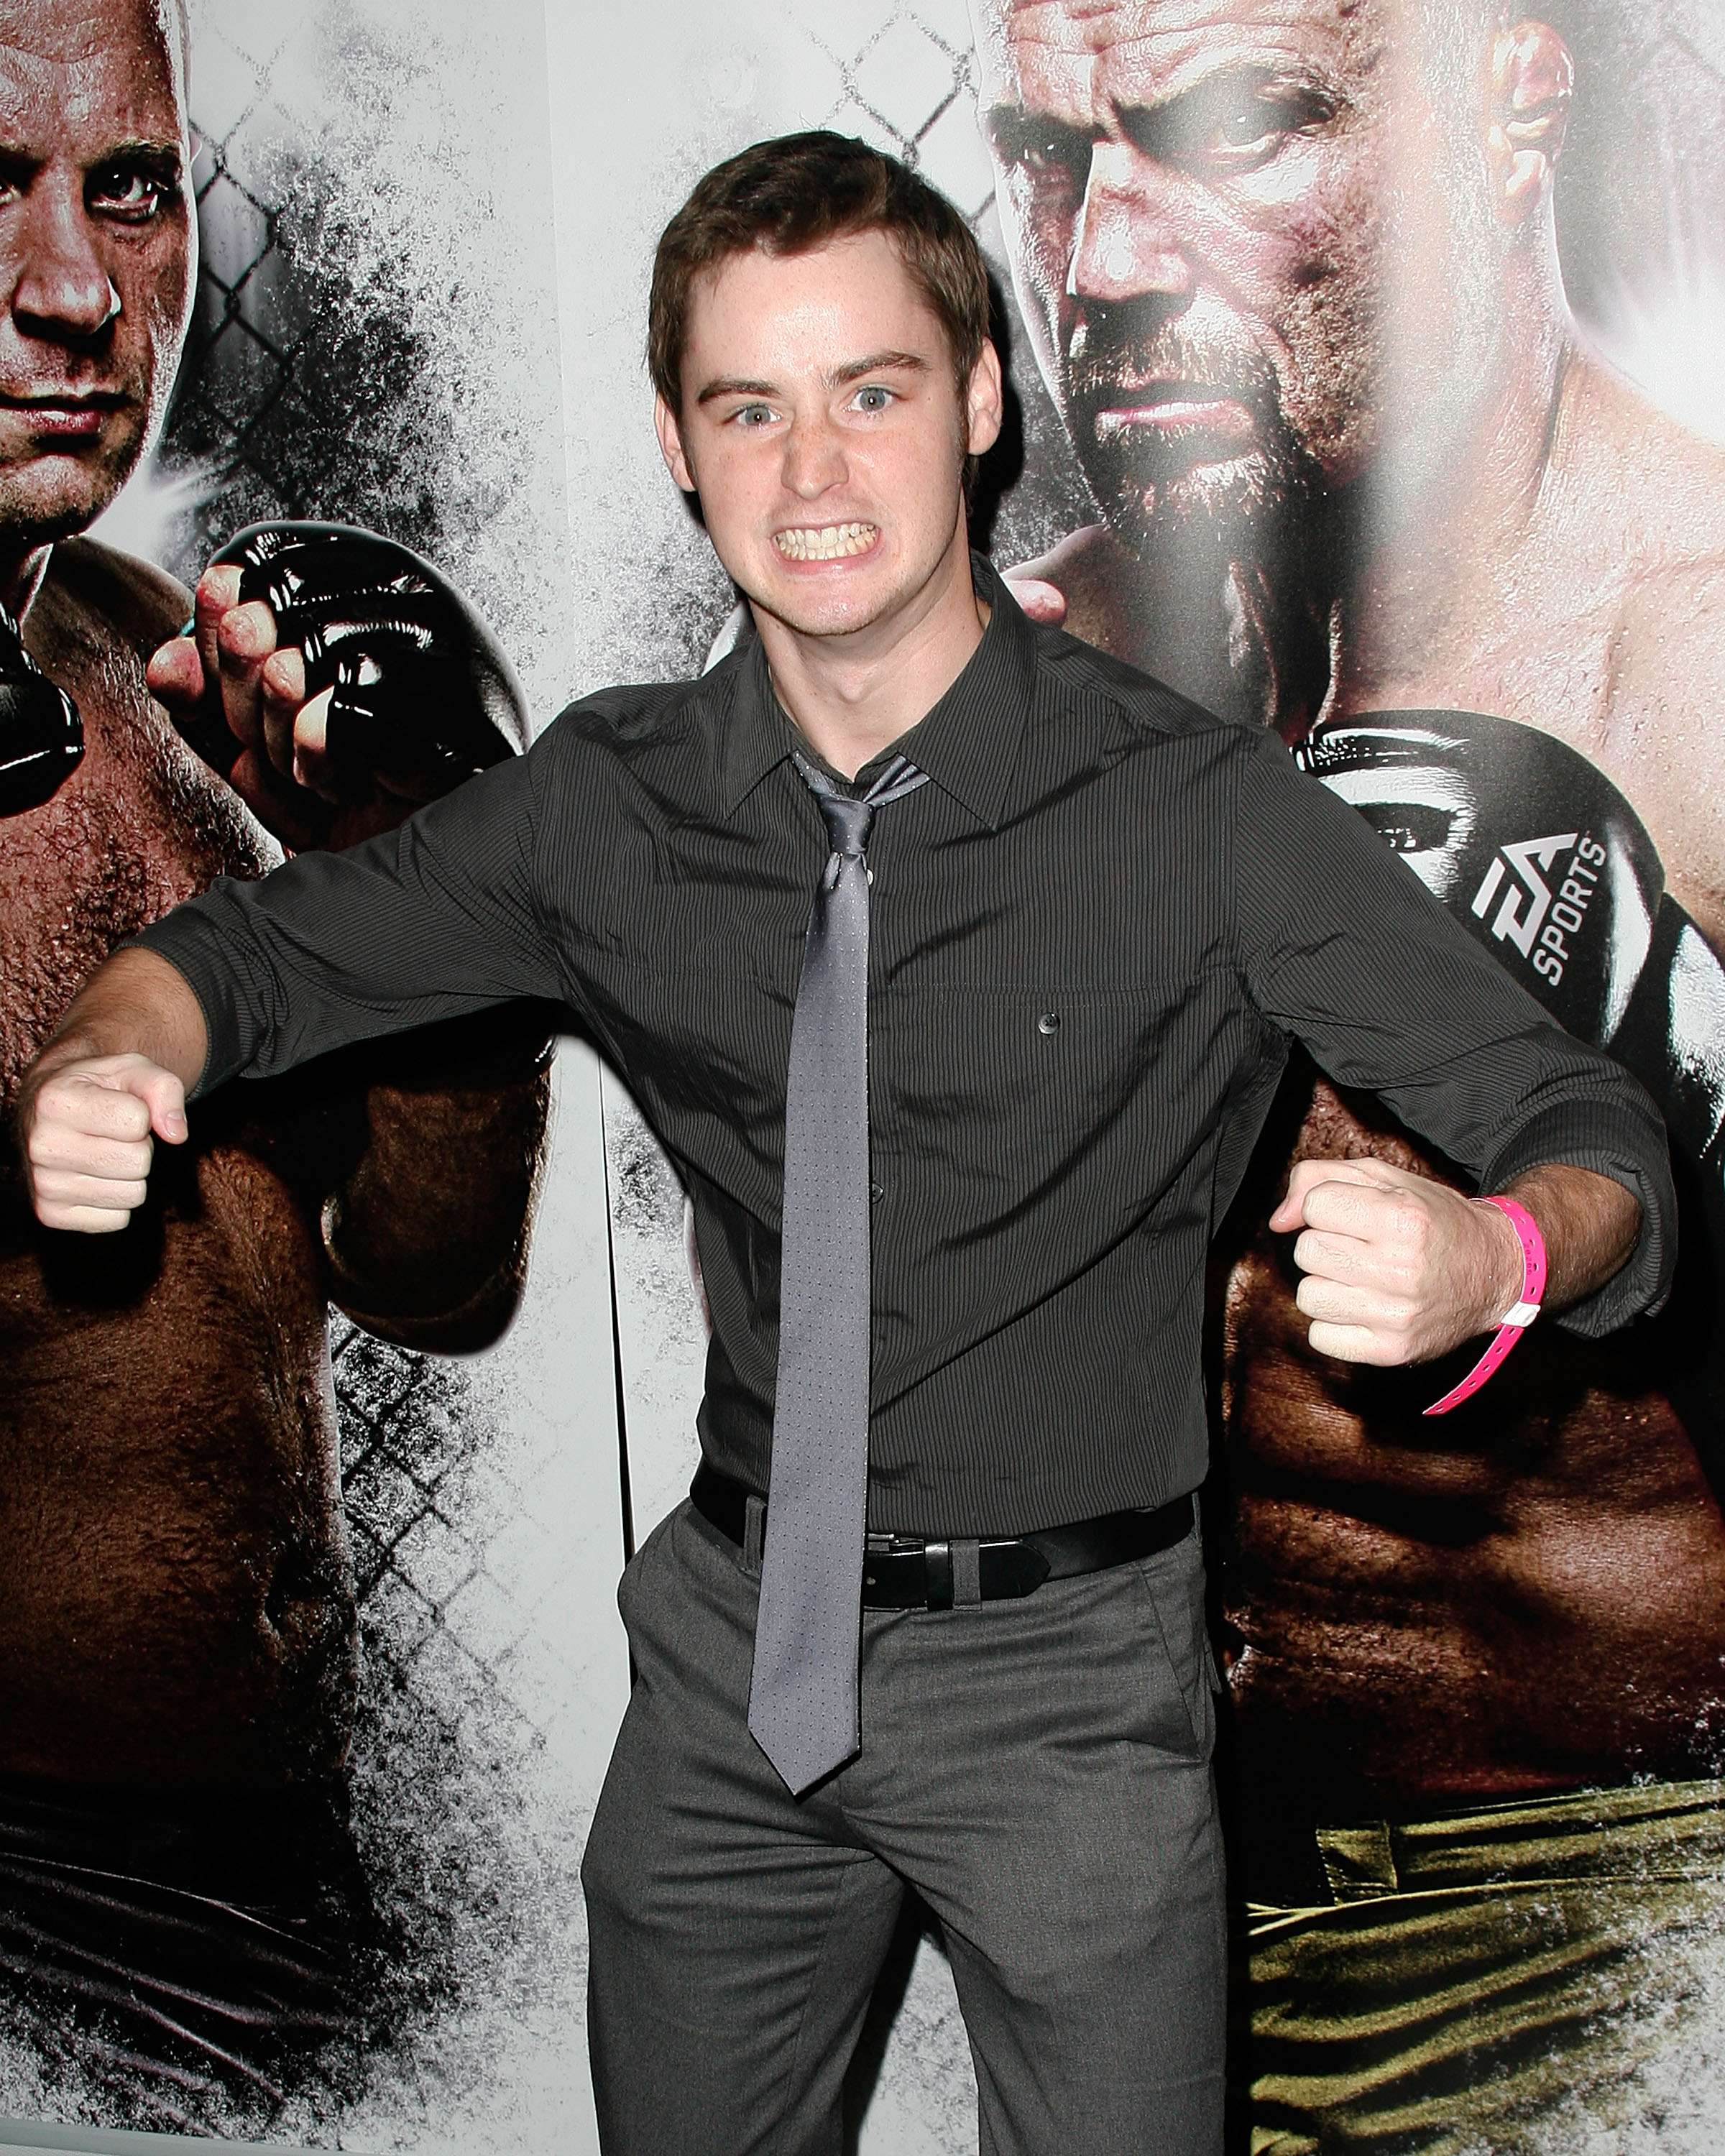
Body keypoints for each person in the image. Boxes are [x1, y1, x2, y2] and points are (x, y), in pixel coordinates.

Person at [17, 132, 1672, 2156]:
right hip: (731, 1669)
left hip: (1071, 1694)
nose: (814, 475)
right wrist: (111, 1054)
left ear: (978, 403)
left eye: (873, 392)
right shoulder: (612, 804)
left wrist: (1496, 1255)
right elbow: (255, 958)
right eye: (750, 408)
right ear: (678, 443)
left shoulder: (1197, 815)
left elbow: (1595, 1131)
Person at [970, 0, 1725, 2140]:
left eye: (1239, 126)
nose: (1103, 252)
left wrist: (1686, 1086)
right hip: (1115, 1921)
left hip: (1590, 1928)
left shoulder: (1701, 664)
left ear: (1510, 90)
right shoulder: (1021, 685)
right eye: (1050, 149)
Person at [0, 0, 548, 2097]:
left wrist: (420, 905)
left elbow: (429, 1275)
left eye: (128, 187)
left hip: (260, 1868)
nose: (72, 291)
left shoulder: (143, 650)